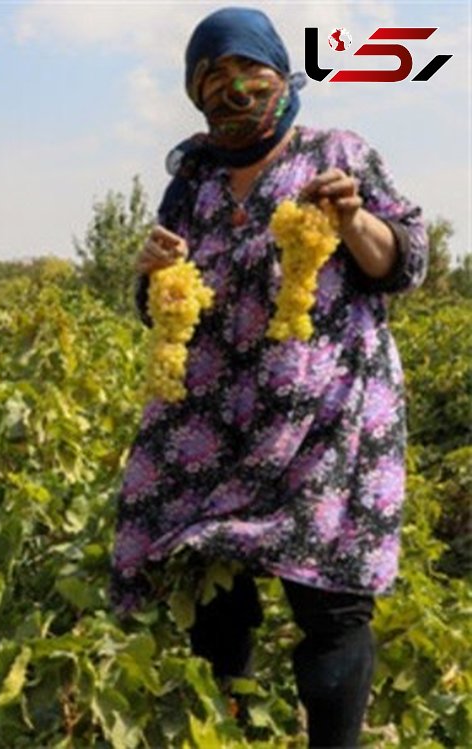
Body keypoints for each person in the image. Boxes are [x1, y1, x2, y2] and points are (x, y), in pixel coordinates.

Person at [110, 7, 427, 748]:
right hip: (218, 423)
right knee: (218, 595)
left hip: (328, 412)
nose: (232, 89)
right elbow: (161, 307)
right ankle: (230, 731)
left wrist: (352, 221)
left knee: (330, 604)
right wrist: (153, 274)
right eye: (210, 78)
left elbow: (402, 262)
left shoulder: (336, 152)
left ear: (280, 71)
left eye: (246, 70)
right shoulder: (192, 178)